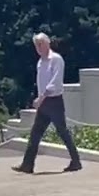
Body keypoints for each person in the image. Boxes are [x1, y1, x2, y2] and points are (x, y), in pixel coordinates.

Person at [13, 33, 82, 174]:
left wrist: (41, 97)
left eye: (41, 44)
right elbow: (41, 83)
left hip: (54, 101)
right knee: (35, 133)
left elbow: (55, 83)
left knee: (62, 132)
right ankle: (27, 164)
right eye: (36, 45)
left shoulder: (56, 59)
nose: (38, 47)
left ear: (48, 43)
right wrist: (40, 98)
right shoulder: (40, 62)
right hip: (44, 102)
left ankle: (76, 161)